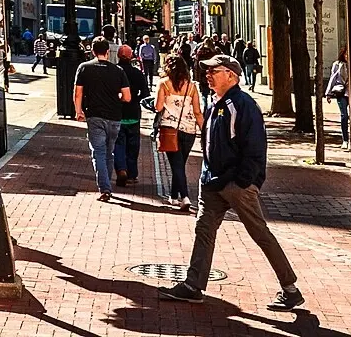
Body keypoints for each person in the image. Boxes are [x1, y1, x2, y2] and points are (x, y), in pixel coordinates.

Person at [164, 52, 303, 313]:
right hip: (213, 184)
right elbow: (209, 143)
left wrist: (243, 181)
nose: (207, 74)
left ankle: (290, 289)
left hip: (235, 185)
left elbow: (255, 147)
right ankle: (193, 286)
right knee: (204, 231)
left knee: (259, 233)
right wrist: (207, 176)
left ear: (231, 75)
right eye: (206, 70)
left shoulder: (243, 105)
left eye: (213, 70)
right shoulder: (215, 103)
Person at [74, 34, 131, 202]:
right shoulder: (118, 71)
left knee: (98, 152)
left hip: (94, 115)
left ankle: (105, 188)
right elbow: (127, 97)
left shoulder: (84, 68)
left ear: (92, 51)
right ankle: (106, 186)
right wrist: (117, 98)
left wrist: (79, 111)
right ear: (107, 51)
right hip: (114, 116)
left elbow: (78, 93)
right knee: (109, 152)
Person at [154, 51, 204, 211]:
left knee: (176, 165)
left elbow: (158, 107)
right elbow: (197, 111)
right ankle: (173, 196)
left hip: (170, 128)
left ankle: (185, 196)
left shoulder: (164, 84)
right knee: (180, 163)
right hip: (189, 129)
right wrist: (204, 130)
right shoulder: (192, 86)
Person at [114, 43, 150, 187]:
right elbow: (146, 94)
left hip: (117, 113)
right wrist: (136, 98)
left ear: (118, 56)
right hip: (133, 112)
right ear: (131, 57)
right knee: (133, 145)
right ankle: (132, 174)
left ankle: (121, 169)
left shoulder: (114, 72)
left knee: (118, 144)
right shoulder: (137, 73)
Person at [324, 47, 350, 146]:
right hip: (341, 92)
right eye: (346, 54)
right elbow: (332, 78)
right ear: (343, 54)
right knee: (344, 115)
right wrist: (328, 93)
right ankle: (345, 140)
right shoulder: (337, 64)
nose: (347, 56)